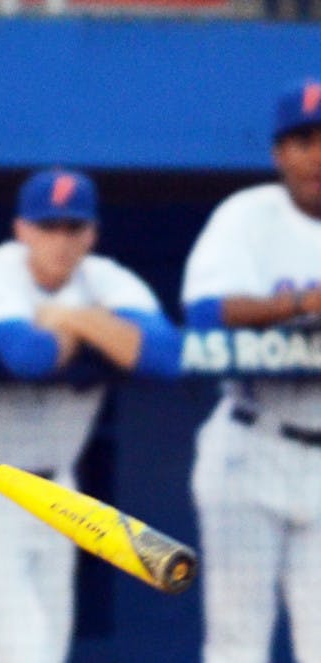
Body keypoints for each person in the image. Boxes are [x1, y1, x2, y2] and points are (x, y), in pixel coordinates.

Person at [0, 168, 180, 663]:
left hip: (60, 495)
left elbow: (166, 358)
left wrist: (72, 319)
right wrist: (105, 332)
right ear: (22, 229)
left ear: (92, 234)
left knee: (46, 653)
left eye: (73, 228)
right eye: (48, 227)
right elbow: (27, 356)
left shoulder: (105, 278)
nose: (61, 241)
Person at [181, 77, 321, 663]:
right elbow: (204, 312)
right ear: (278, 154)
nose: (316, 154)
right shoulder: (246, 215)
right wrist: (301, 304)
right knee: (238, 641)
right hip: (251, 439)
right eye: (302, 140)